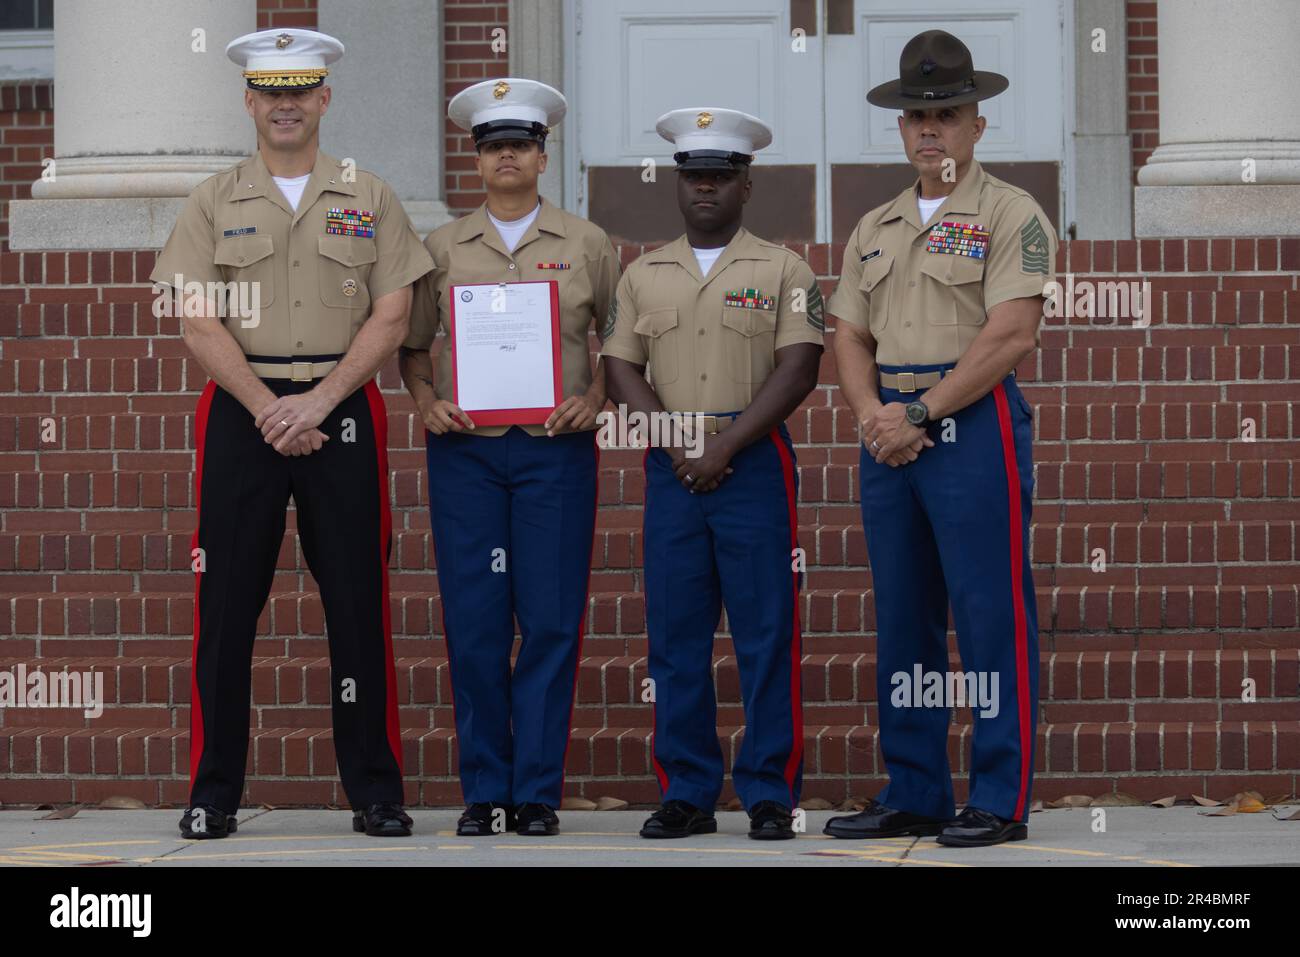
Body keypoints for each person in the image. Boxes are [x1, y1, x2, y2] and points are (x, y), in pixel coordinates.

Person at [150, 28, 434, 839]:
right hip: (242, 411)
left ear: (324, 99)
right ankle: (213, 793)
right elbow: (195, 320)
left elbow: (394, 313)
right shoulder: (213, 199)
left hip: (343, 406)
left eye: (300, 89)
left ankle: (376, 790)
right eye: (270, 91)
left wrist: (320, 401)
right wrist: (267, 404)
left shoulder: (368, 194)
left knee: (357, 604)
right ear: (249, 101)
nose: (285, 104)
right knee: (227, 608)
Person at [823, 30, 1056, 847]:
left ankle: (999, 793)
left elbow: (1010, 334)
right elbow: (847, 331)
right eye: (917, 116)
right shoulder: (875, 226)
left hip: (970, 424)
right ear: (900, 128)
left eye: (947, 114)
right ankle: (916, 786)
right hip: (886, 430)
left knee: (989, 611)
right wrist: (872, 415)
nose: (930, 129)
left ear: (977, 125)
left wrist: (919, 413)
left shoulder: (1011, 213)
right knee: (905, 618)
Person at [398, 78, 620, 837]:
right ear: (477, 160)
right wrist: (426, 402)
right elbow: (413, 345)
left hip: (556, 453)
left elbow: (621, 345)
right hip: (467, 453)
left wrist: (595, 399)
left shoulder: (588, 244)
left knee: (553, 619)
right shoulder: (442, 247)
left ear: (542, 155)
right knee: (476, 619)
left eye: (519, 145)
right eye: (492, 147)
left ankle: (537, 791)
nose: (506, 158)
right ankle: (484, 788)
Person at [602, 108, 824, 841]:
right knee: (675, 637)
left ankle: (768, 790)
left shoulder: (785, 269)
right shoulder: (643, 273)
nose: (705, 187)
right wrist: (672, 443)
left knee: (765, 633)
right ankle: (688, 790)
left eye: (720, 176)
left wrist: (724, 447)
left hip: (751, 460)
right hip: (673, 468)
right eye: (693, 175)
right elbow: (619, 365)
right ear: (677, 183)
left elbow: (798, 369)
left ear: (746, 185)